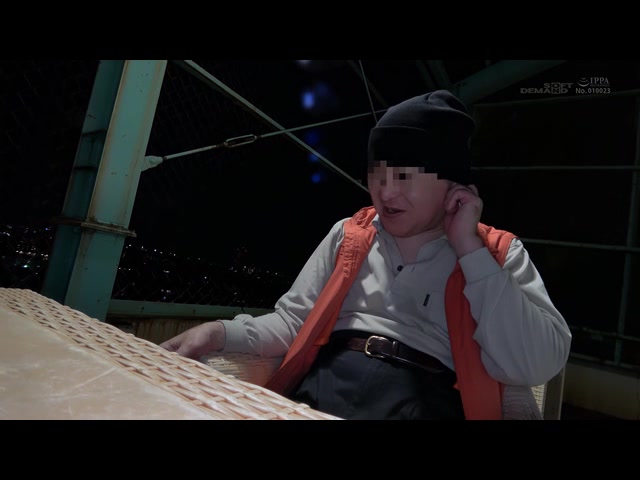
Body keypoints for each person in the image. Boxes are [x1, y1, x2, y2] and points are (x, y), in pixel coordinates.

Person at [160, 90, 572, 420]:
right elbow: (292, 322)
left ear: (453, 186)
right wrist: (219, 333)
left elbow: (535, 365)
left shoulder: (495, 253)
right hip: (327, 383)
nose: (385, 192)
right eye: (378, 174)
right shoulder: (350, 234)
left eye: (404, 177)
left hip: (427, 398)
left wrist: (469, 248)